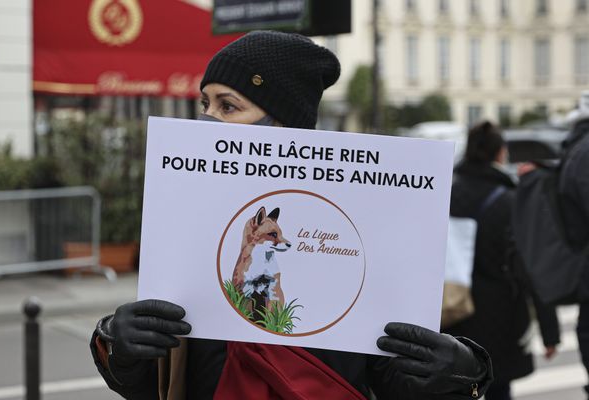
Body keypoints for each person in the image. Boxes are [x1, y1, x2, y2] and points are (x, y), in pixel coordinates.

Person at [90, 31, 493, 399]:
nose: (206, 120)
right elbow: (160, 382)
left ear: (284, 130)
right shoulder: (189, 228)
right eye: (205, 103)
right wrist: (119, 345)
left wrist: (463, 371)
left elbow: (394, 376)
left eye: (228, 106)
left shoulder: (352, 232)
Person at [444, 121, 560, 400]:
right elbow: (531, 267)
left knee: (456, 388)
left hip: (453, 309)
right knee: (498, 387)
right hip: (502, 313)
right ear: (500, 153)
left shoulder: (446, 194)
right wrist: (549, 331)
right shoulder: (510, 200)